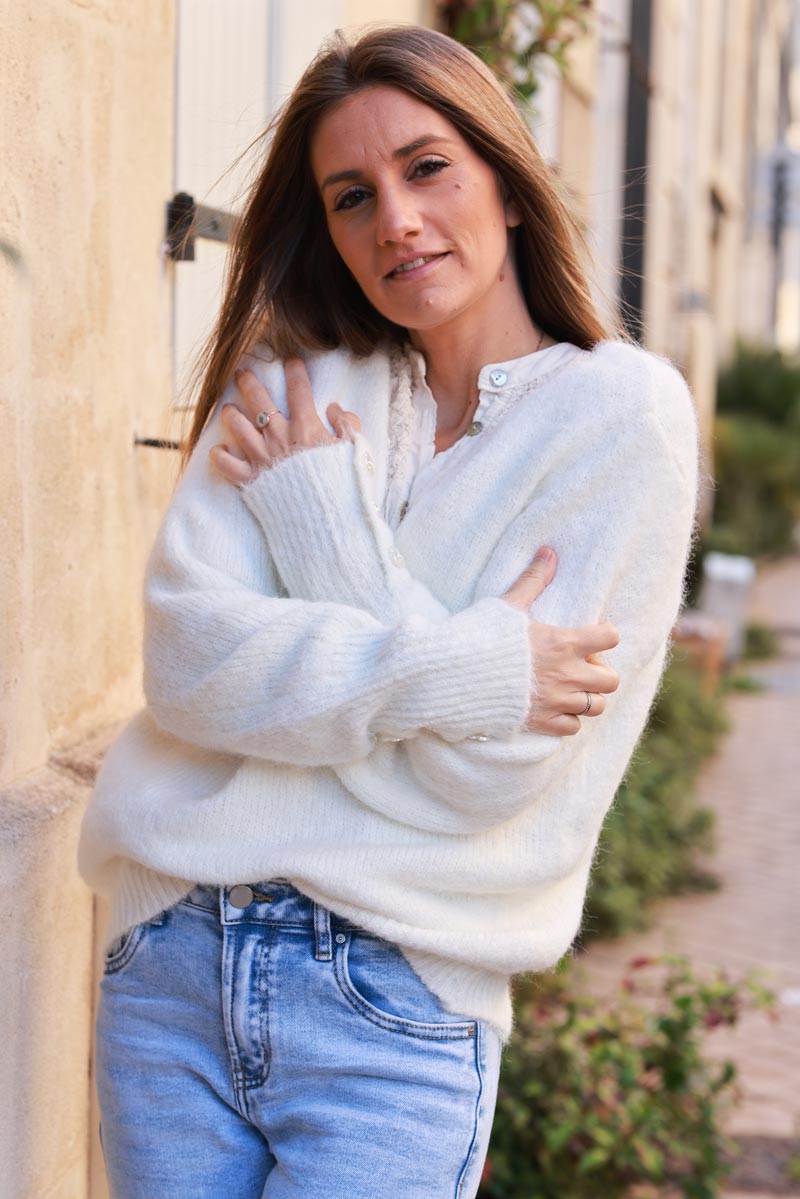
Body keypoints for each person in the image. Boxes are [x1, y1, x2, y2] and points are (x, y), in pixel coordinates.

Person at [78, 23, 700, 1199]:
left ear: (506, 186)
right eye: (351, 195)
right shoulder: (289, 389)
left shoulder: (620, 419)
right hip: (172, 959)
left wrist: (319, 532)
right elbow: (191, 667)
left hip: (397, 997)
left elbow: (490, 770)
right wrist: (466, 667)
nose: (395, 223)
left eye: (427, 169)